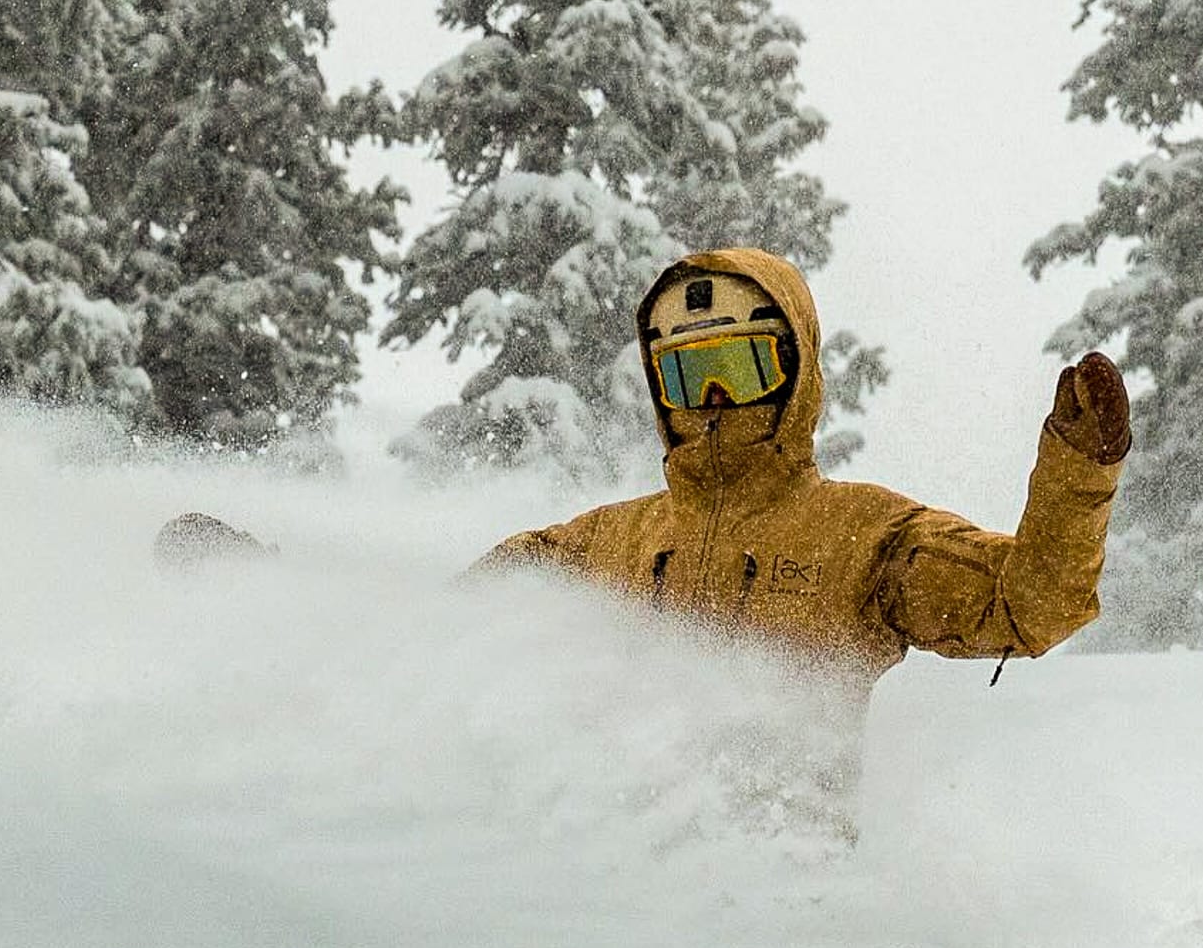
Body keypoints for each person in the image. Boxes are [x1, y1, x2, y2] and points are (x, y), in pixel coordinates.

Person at [476, 247, 1129, 701]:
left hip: (793, 854)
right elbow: (456, 634)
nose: (712, 398)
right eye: (684, 374)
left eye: (738, 368)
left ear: (793, 371)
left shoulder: (865, 537)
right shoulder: (603, 545)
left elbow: (1026, 606)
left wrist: (1077, 475)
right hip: (609, 853)